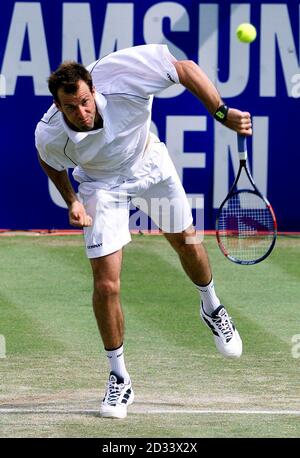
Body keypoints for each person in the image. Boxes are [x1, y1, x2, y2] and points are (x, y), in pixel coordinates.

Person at [35, 44, 252, 419]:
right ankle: (120, 378)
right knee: (106, 285)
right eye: (70, 107)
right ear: (58, 106)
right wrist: (71, 199)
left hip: (148, 164)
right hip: (102, 187)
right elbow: (50, 161)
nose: (81, 112)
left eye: (85, 101)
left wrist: (221, 111)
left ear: (93, 88)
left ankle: (211, 304)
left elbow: (184, 69)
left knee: (187, 244)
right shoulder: (51, 133)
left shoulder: (121, 74)